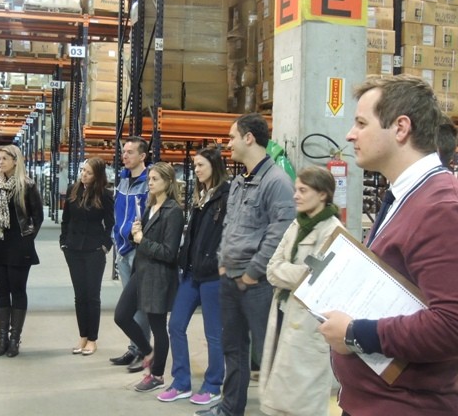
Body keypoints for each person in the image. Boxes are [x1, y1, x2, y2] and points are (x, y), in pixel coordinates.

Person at [318, 75, 458, 415]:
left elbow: (451, 324)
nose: (350, 134)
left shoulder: (440, 207)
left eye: (361, 123)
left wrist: (356, 333)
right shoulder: (406, 196)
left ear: (401, 128)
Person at [196, 113, 295, 416]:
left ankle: (280, 411)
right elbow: (230, 225)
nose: (228, 144)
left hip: (258, 285)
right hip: (230, 278)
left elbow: (279, 233)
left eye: (232, 137)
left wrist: (252, 273)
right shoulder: (239, 182)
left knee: (268, 352)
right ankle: (230, 408)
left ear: (249, 138)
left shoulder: (277, 182)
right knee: (233, 347)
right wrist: (223, 262)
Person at [258, 166, 343, 416]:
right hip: (284, 313)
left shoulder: (334, 232)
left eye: (303, 190)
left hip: (308, 325)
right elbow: (271, 269)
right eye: (296, 190)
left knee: (304, 403)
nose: (296, 195)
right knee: (279, 399)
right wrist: (297, 273)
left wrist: (288, 272)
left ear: (323, 194)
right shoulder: (297, 224)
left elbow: (317, 277)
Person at [157, 147, 230, 405]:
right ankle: (181, 382)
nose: (196, 170)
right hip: (191, 273)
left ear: (214, 166)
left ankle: (213, 385)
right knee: (176, 325)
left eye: (200, 165)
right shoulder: (200, 196)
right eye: (195, 165)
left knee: (213, 334)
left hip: (213, 276)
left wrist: (220, 263)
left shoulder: (226, 196)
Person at [114, 162, 184, 393]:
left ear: (168, 182)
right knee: (121, 315)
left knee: (157, 326)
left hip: (158, 276)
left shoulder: (173, 211)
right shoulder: (151, 206)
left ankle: (157, 375)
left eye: (155, 179)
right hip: (142, 271)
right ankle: (148, 351)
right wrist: (136, 232)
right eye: (149, 179)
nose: (150, 183)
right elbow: (143, 240)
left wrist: (141, 239)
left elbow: (169, 252)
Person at [0, 145, 44, 358]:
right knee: (1, 291)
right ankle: (2, 339)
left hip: (19, 245)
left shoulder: (28, 185)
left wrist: (27, 238)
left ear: (16, 161)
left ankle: (15, 338)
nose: (0, 162)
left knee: (18, 290)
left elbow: (37, 216)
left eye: (5, 158)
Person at [60, 157, 114, 356]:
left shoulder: (105, 195)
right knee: (80, 296)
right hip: (73, 249)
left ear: (97, 176)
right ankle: (83, 335)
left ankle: (92, 339)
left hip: (94, 250)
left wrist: (105, 246)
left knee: (92, 295)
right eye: (83, 170)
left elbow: (111, 224)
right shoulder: (73, 190)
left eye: (89, 172)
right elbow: (66, 220)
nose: (84, 175)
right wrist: (64, 242)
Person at [109, 136, 151, 372]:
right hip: (123, 250)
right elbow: (117, 214)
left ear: (142, 156)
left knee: (140, 307)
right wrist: (115, 239)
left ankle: (144, 352)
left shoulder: (149, 183)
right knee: (129, 305)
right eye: (124, 152)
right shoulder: (123, 180)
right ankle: (134, 348)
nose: (124, 156)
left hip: (138, 251)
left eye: (130, 152)